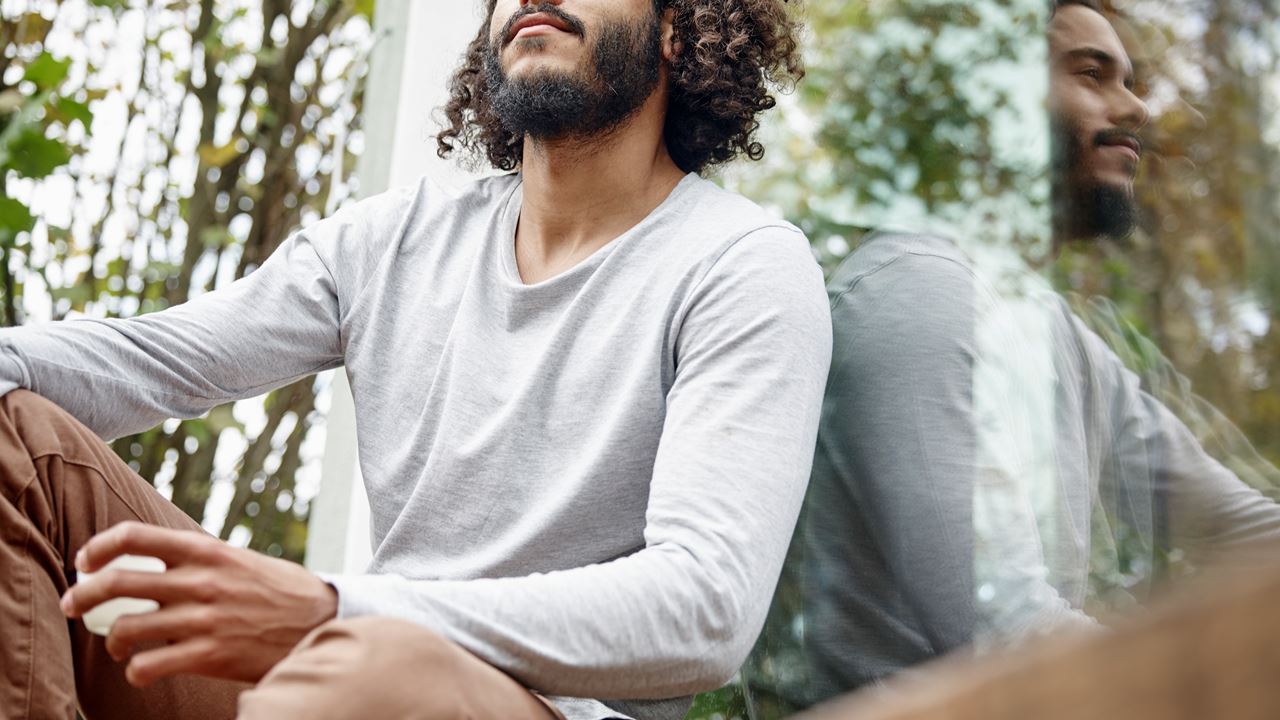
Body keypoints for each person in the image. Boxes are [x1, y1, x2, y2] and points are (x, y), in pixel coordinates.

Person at [0, 1, 831, 719]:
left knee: (370, 674)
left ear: (678, 30)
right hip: (340, 672)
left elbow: (705, 611)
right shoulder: (397, 239)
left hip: (513, 699)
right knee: (14, 437)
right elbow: (150, 362)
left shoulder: (740, 264)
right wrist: (339, 623)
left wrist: (337, 608)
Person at [746, 0, 1280, 712]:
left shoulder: (1050, 330)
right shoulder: (915, 296)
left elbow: (1243, 527)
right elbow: (1008, 634)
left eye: (1129, 79)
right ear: (992, 101)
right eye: (1093, 75)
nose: (1136, 108)